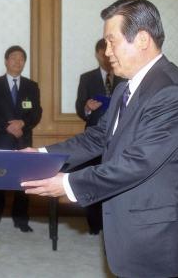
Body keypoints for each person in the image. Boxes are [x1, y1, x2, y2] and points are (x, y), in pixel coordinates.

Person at [22, 0, 178, 278]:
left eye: (111, 41)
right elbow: (97, 138)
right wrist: (44, 156)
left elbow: (138, 163)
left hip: (158, 241)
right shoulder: (124, 88)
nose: (106, 52)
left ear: (142, 39)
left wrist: (69, 184)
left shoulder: (173, 91)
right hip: (129, 231)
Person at [0, 45, 42, 234]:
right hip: (1, 140)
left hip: (23, 141)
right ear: (6, 61)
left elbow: (37, 112)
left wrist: (22, 123)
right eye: (14, 58)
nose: (18, 61)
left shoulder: (31, 86)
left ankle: (21, 221)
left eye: (22, 59)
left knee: (24, 183)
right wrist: (7, 126)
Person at [74, 38, 124, 234]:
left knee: (113, 181)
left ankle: (113, 223)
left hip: (119, 137)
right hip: (93, 138)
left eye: (109, 52)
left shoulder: (124, 77)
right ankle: (94, 224)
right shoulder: (87, 78)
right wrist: (87, 107)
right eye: (102, 53)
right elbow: (80, 108)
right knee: (92, 181)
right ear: (97, 54)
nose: (106, 56)